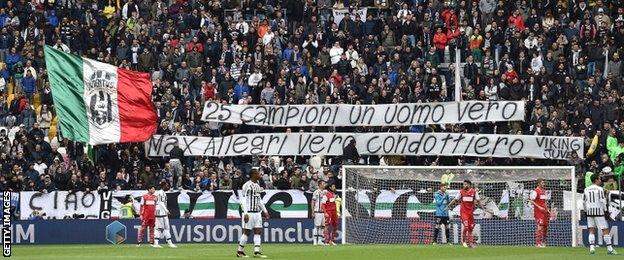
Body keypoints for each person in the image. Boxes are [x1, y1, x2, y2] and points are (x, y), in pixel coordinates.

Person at [237, 169, 269, 258]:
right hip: (249, 212)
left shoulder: (257, 186)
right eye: (257, 173)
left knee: (258, 231)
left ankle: (257, 252)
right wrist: (245, 212)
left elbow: (259, 200)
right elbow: (242, 200)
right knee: (247, 232)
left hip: (257, 213)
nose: (259, 174)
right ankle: (240, 251)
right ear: (253, 175)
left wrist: (265, 211)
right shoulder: (246, 185)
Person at [584, 173, 618, 255]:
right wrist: (606, 211)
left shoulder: (586, 189)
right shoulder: (600, 189)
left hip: (589, 212)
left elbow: (584, 202)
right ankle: (610, 249)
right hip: (599, 211)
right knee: (605, 230)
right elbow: (603, 201)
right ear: (596, 180)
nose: (600, 180)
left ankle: (592, 248)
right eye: (599, 179)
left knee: (591, 230)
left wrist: (585, 211)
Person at [447, 180, 480, 248]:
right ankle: (467, 242)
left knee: (470, 228)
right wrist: (448, 206)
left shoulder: (474, 192)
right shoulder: (461, 192)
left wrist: (480, 207)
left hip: (470, 213)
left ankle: (466, 242)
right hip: (463, 213)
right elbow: (455, 200)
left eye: (465, 184)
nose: (464, 186)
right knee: (466, 227)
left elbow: (478, 201)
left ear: (469, 185)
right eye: (463, 184)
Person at [154, 180, 176, 248]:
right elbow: (161, 202)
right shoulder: (161, 193)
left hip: (160, 211)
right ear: (163, 186)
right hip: (161, 212)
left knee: (161, 228)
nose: (168, 187)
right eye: (167, 185)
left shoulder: (161, 192)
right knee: (163, 228)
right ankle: (168, 243)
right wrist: (166, 210)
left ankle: (157, 243)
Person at [530, 178, 550, 248]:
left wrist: (547, 209)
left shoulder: (544, 191)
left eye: (543, 183)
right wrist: (539, 207)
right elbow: (531, 201)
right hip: (538, 212)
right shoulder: (535, 191)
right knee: (540, 226)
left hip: (544, 211)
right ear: (538, 184)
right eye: (542, 183)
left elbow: (544, 202)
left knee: (545, 227)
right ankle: (537, 243)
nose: (543, 184)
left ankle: (543, 242)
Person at [322, 182, 338, 246]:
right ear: (330, 188)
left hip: (334, 212)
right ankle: (326, 241)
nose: (334, 188)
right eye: (333, 187)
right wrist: (325, 213)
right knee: (327, 225)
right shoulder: (326, 195)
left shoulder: (333, 194)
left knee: (335, 226)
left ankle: (331, 240)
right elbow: (322, 204)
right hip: (329, 212)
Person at [311, 180, 326, 245]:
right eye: (323, 184)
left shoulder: (325, 192)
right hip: (317, 211)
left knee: (322, 226)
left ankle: (320, 240)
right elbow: (313, 202)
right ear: (320, 185)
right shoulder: (316, 192)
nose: (324, 185)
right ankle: (314, 240)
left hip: (323, 212)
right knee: (317, 226)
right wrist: (312, 212)